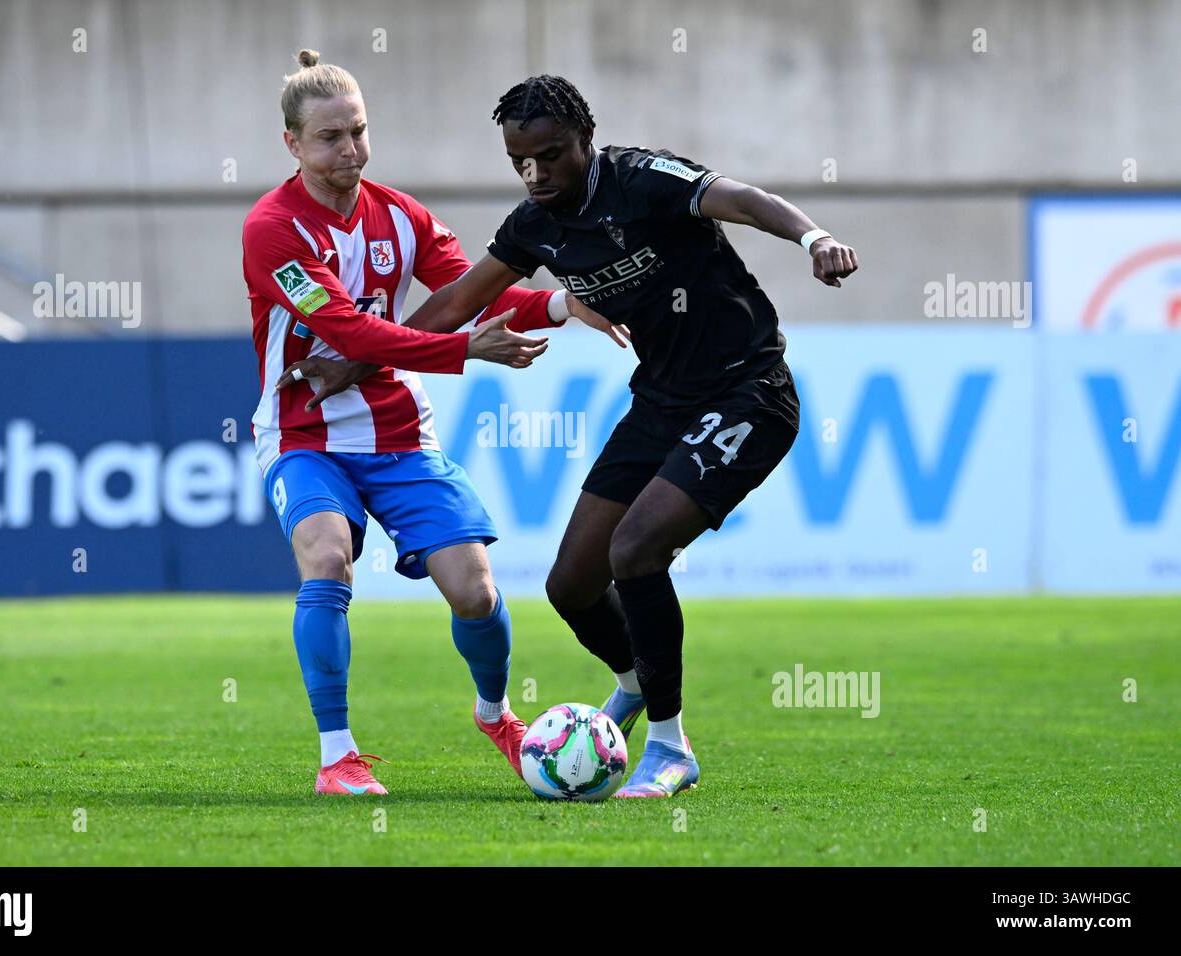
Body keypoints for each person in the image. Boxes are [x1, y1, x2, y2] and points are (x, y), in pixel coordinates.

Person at [305, 74, 859, 797]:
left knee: (637, 550)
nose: (535, 174)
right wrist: (358, 359)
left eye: (550, 155)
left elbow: (744, 200)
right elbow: (456, 302)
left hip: (747, 388)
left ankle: (669, 745)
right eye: (518, 161)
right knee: (571, 585)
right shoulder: (533, 224)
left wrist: (814, 237)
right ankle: (633, 684)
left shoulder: (644, 180)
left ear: (585, 141)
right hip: (660, 401)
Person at [243, 53, 615, 796]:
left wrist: (563, 304)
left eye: (358, 131)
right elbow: (349, 334)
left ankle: (495, 716)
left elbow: (473, 295)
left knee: (475, 591)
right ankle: (337, 756)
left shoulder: (402, 217)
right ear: (292, 145)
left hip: (400, 436)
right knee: (326, 560)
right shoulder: (272, 230)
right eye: (329, 138)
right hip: (305, 435)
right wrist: (459, 350)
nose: (349, 150)